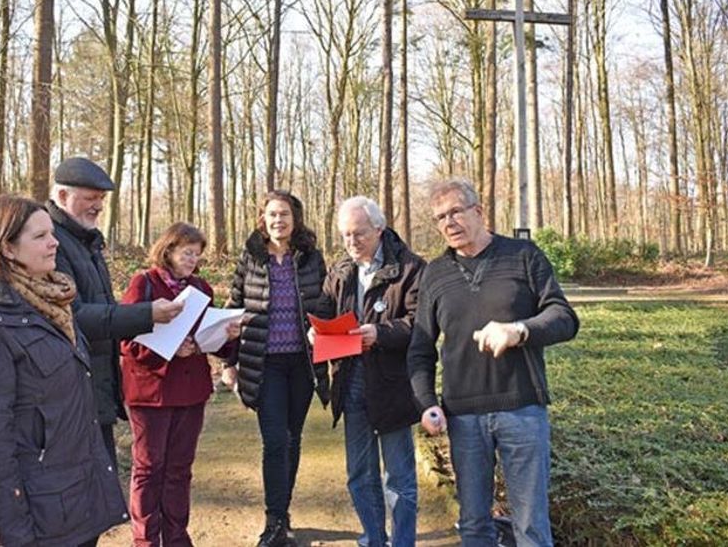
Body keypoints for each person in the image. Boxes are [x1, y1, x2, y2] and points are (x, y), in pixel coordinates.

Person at [0, 195, 128, 547]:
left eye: (52, 233)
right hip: (32, 516)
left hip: (72, 503)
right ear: (8, 248)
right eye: (40, 236)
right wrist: (11, 533)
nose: (54, 242)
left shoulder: (52, 303)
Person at [407, 178, 579, 547]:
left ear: (479, 211)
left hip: (523, 409)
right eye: (440, 217)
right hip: (463, 416)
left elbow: (564, 317)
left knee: (531, 526)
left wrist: (519, 330)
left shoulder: (523, 255)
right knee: (473, 525)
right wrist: (426, 403)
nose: (449, 222)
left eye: (456, 212)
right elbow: (420, 349)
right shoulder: (435, 274)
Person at [46, 157, 183, 466]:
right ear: (63, 195)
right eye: (90, 198)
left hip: (97, 387)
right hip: (72, 390)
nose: (98, 206)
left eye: (101, 199)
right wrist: (146, 315)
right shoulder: (53, 244)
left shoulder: (87, 242)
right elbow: (72, 316)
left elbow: (103, 310)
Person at [119, 222, 240, 547]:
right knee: (149, 469)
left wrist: (227, 336)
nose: (192, 260)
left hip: (191, 391)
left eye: (197, 255)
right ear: (169, 249)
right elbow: (125, 341)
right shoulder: (144, 284)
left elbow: (209, 339)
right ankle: (145, 540)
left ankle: (176, 537)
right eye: (187, 253)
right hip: (151, 393)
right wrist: (169, 350)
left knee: (179, 469)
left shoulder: (202, 288)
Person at [312, 196, 424, 547]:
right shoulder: (340, 270)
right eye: (345, 235)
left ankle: (402, 542)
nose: (352, 241)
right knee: (359, 474)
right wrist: (315, 331)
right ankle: (373, 539)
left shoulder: (410, 268)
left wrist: (380, 333)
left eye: (359, 233)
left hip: (393, 384)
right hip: (350, 380)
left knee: (399, 477)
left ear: (379, 228)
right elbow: (323, 310)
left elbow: (421, 325)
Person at [226, 190, 330, 547]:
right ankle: (273, 522)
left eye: (284, 214)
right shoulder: (251, 257)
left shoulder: (311, 258)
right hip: (263, 362)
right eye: (272, 214)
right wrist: (228, 362)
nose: (278, 220)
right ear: (263, 218)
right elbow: (233, 307)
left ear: (295, 218)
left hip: (302, 363)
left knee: (293, 438)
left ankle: (283, 515)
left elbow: (325, 304)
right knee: (275, 440)